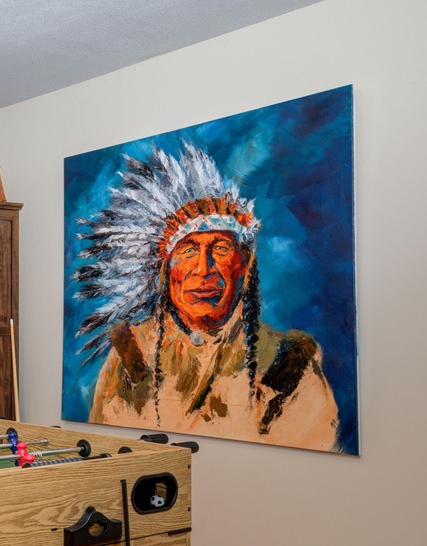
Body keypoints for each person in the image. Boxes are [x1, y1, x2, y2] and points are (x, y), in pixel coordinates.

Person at [72, 144, 339, 451]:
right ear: (166, 267)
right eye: (187, 251)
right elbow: (110, 448)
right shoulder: (131, 354)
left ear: (243, 265)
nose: (203, 269)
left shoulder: (288, 365)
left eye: (220, 250)